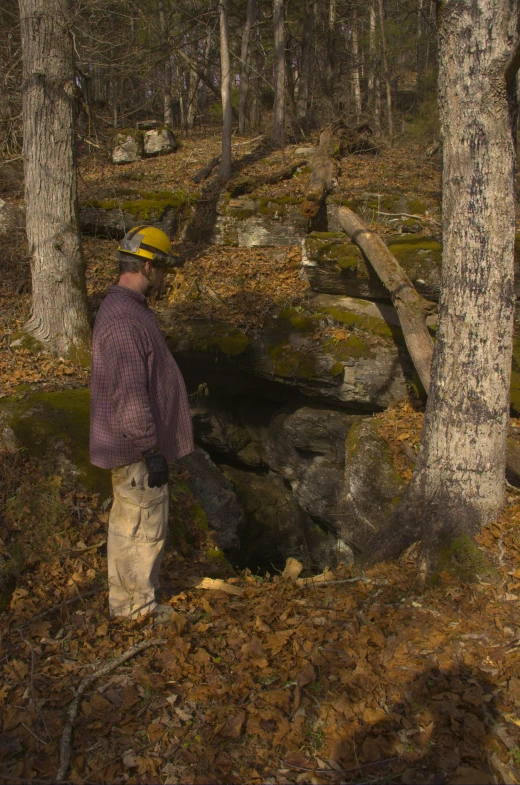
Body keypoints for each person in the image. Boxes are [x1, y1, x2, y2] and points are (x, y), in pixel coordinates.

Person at [90, 225, 194, 622]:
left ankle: (133, 600)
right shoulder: (123, 321)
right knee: (139, 529)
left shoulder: (130, 311)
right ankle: (135, 610)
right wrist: (150, 450)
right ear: (148, 266)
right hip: (137, 452)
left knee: (137, 524)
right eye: (163, 268)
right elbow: (129, 395)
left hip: (139, 449)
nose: (165, 277)